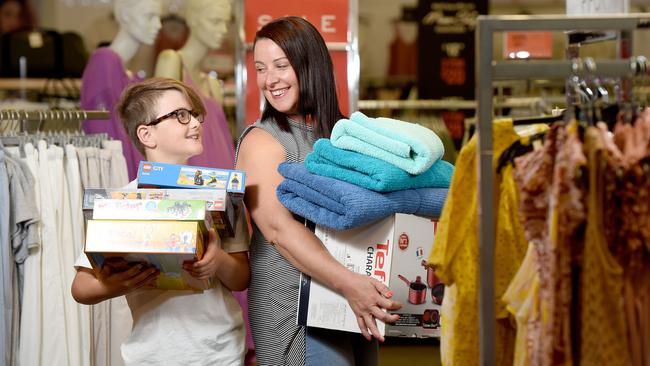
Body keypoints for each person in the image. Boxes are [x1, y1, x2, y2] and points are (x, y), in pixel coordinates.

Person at [235, 16, 402, 366]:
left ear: (310, 65)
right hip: (293, 303)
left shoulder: (334, 135)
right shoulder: (263, 140)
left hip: (346, 295)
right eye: (261, 68)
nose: (269, 80)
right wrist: (349, 283)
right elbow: (279, 230)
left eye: (281, 66)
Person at [71, 77, 250, 365]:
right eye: (180, 115)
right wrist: (120, 283)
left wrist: (218, 261)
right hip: (150, 355)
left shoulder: (222, 194)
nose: (195, 123)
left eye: (194, 114)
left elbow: (242, 278)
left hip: (219, 352)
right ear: (146, 134)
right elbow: (80, 287)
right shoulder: (123, 203)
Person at [80, 0, 162, 180]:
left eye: (159, 17)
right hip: (118, 180)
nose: (158, 25)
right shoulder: (104, 61)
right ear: (125, 15)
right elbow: (102, 129)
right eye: (149, 17)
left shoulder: (127, 73)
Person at [153, 0, 235, 169]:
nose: (224, 30)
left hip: (221, 177)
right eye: (215, 21)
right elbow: (161, 133)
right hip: (189, 180)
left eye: (225, 23)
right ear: (193, 20)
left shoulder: (212, 84)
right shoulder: (171, 62)